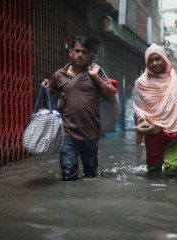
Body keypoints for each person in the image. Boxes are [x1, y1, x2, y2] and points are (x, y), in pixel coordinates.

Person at [42, 36, 116, 181]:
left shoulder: (96, 71)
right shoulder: (60, 75)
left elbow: (111, 94)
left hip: (90, 133)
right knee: (68, 176)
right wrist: (45, 87)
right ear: (71, 52)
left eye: (84, 52)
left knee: (91, 175)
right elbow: (50, 92)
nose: (80, 55)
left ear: (89, 55)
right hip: (67, 133)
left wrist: (95, 77)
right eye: (77, 51)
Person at [133, 43, 177, 178]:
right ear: (146, 62)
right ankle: (156, 199)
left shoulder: (176, 78)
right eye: (151, 60)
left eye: (158, 59)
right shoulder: (141, 83)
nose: (155, 63)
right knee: (153, 172)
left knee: (172, 170)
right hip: (153, 132)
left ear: (164, 59)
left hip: (175, 130)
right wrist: (142, 121)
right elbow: (138, 108)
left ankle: (171, 198)